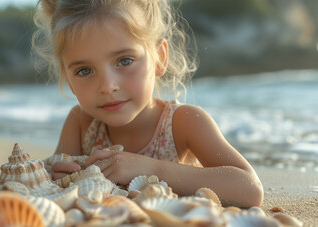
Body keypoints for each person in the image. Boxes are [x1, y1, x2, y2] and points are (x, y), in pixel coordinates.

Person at [32, 0, 263, 208]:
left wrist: (149, 169)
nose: (107, 86)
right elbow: (57, 184)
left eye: (124, 61)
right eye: (84, 71)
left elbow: (249, 188)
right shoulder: (81, 122)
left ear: (160, 57)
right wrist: (54, 174)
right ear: (68, 79)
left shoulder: (183, 122)